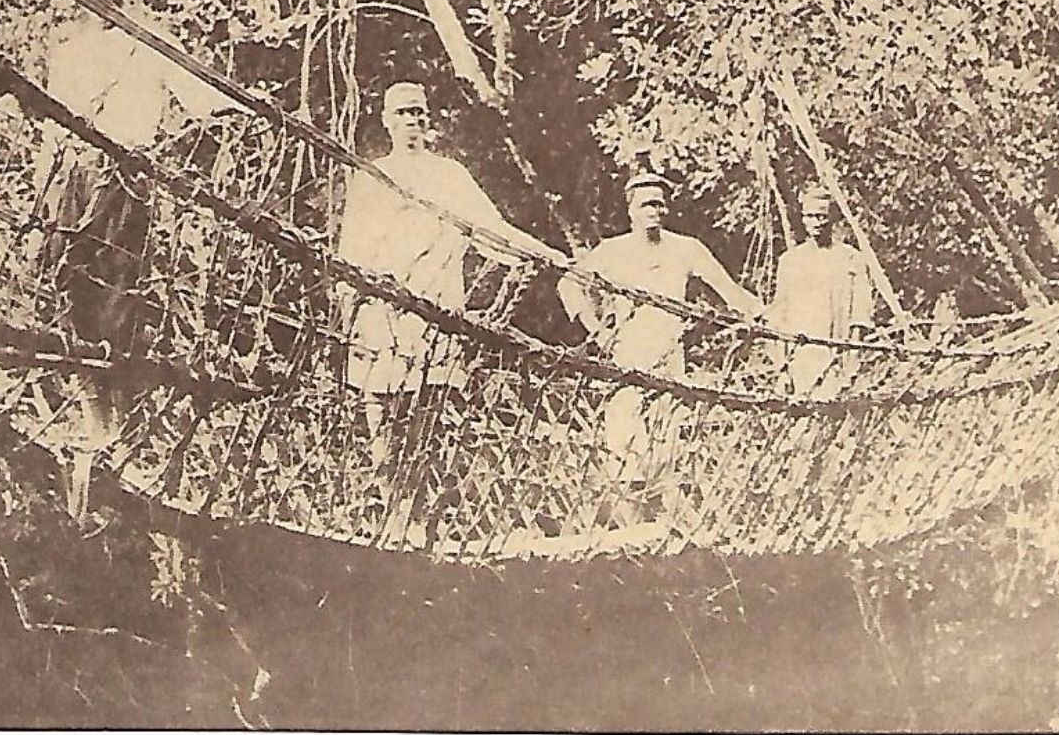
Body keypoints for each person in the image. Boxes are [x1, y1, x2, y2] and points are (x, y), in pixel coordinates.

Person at [35, 0, 233, 523]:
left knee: (121, 300)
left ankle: (114, 427)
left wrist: (236, 116)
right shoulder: (67, 54)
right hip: (73, 176)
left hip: (127, 180)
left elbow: (203, 104)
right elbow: (53, 126)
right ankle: (91, 416)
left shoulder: (148, 46)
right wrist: (46, 190)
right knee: (64, 292)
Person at [335, 81, 563, 447]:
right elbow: (352, 250)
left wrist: (545, 253)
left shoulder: (449, 174)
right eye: (402, 112)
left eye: (418, 111)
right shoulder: (371, 176)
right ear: (386, 120)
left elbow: (492, 230)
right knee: (380, 400)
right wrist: (351, 309)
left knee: (431, 407)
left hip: (437, 301)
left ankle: (424, 493)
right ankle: (384, 487)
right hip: (383, 307)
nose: (412, 119)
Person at [559, 172, 763, 494]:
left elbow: (728, 289)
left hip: (669, 351)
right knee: (625, 440)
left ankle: (661, 515)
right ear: (631, 210)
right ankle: (628, 516)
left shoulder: (685, 248)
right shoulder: (612, 251)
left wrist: (759, 315)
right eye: (645, 204)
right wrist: (597, 332)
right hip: (626, 352)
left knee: (665, 435)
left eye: (659, 204)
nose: (653, 210)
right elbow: (569, 284)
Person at [769, 186, 877, 395]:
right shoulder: (790, 261)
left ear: (832, 219)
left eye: (822, 216)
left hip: (835, 356)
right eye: (810, 216)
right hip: (799, 357)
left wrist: (851, 365)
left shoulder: (851, 259)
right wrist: (781, 368)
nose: (816, 222)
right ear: (803, 218)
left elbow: (859, 316)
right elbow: (779, 317)